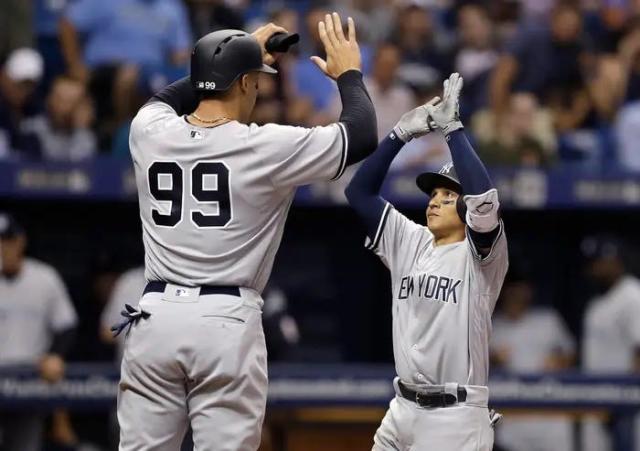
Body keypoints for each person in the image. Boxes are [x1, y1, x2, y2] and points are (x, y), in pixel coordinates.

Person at [116, 13, 377, 450]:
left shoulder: (149, 132)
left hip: (154, 315)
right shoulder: (265, 145)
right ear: (241, 84)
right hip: (224, 320)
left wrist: (229, 59)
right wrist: (349, 73)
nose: (259, 86)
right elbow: (362, 134)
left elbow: (162, 99)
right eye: (255, 77)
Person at [345, 73, 508, 451]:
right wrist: (398, 136)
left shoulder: (482, 256)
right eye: (433, 194)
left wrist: (453, 130)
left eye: (448, 196)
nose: (434, 201)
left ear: (466, 207)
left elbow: (485, 201)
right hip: (401, 408)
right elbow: (359, 192)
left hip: (455, 416)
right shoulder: (410, 239)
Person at [0, 213, 78, 451]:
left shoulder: (44, 277)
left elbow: (66, 325)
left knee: (26, 445)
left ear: (20, 241)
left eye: (7, 240)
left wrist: (55, 355)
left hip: (30, 377)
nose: (4, 248)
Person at [490, 276, 575, 451]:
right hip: (513, 417)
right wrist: (493, 359)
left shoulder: (547, 319)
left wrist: (559, 362)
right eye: (512, 291)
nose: (516, 296)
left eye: (521, 290)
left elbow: (571, 354)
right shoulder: (493, 325)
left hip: (550, 413)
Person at [580, 236, 640, 451]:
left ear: (615, 261)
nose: (595, 268)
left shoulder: (632, 295)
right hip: (596, 399)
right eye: (593, 263)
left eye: (600, 262)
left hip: (624, 402)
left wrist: (625, 397)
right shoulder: (597, 301)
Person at [20, 75, 96, 161]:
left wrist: (80, 129)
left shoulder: (85, 136)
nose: (65, 108)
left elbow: (80, 169)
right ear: (49, 100)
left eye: (72, 102)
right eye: (61, 100)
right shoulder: (31, 130)